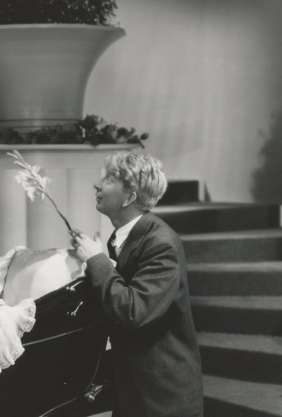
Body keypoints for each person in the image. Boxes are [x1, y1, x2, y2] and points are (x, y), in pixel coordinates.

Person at [70, 152, 203, 417]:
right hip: (135, 384)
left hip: (162, 394)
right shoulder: (127, 237)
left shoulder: (160, 243)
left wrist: (97, 261)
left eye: (108, 179)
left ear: (129, 197)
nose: (97, 185)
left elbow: (133, 311)